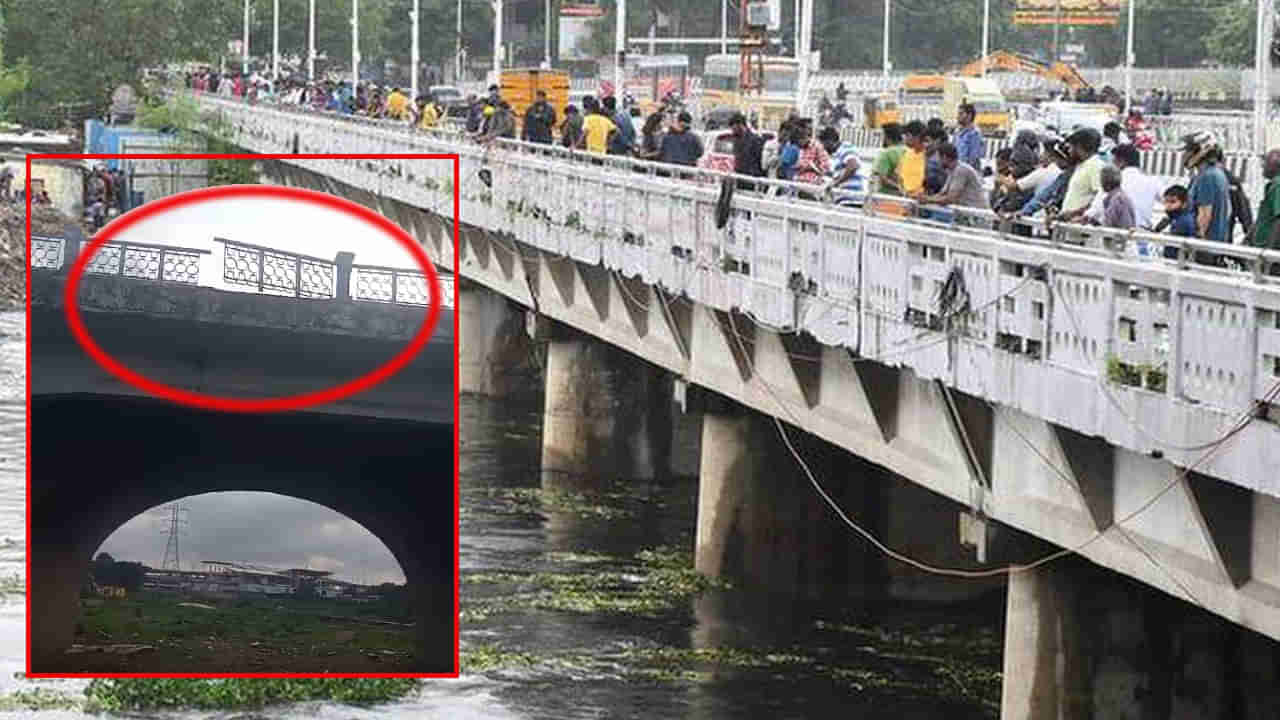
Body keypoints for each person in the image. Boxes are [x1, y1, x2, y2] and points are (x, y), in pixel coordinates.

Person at [1083, 144, 1161, 229]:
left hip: (1118, 231)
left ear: (1121, 161)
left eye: (1113, 161)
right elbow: (1169, 198)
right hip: (1143, 233)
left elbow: (1096, 208)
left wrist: (1083, 217)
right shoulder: (1153, 181)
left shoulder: (1113, 180)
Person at [1181, 131, 1233, 243]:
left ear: (1203, 150)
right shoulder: (1215, 173)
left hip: (1205, 245)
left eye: (1189, 150)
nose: (1185, 155)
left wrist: (1195, 243)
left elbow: (1204, 216)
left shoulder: (1207, 177)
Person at [921, 142, 988, 210]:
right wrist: (926, 198)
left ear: (944, 157)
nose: (937, 161)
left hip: (977, 212)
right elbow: (942, 194)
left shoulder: (961, 170)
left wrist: (929, 200)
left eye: (938, 158)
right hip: (967, 210)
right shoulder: (952, 170)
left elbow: (950, 199)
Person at [1057, 128, 1104, 223]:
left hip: (1081, 230)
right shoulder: (1081, 166)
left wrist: (1073, 213)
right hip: (1070, 227)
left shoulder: (1095, 166)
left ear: (1079, 147)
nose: (1069, 151)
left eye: (1071, 147)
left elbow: (1099, 200)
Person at [1248, 149, 1280, 250]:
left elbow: (1278, 220)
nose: (1263, 166)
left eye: (1266, 162)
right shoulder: (1272, 185)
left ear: (1276, 165)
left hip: (1269, 253)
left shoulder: (1278, 186)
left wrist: (1269, 255)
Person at [791, 121, 832, 186]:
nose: (798, 145)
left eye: (798, 142)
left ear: (804, 138)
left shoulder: (817, 147)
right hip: (798, 181)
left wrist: (810, 168)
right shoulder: (801, 150)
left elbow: (826, 167)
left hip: (812, 183)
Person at [871, 123, 907, 195]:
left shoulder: (886, 153)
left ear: (887, 137)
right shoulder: (908, 151)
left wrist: (899, 188)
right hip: (904, 198)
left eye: (882, 135)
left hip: (885, 197)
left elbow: (881, 179)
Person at [728, 112, 765, 181]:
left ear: (740, 125)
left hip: (752, 178)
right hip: (739, 177)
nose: (732, 131)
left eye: (733, 128)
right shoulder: (736, 140)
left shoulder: (755, 140)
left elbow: (759, 162)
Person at [953, 103, 985, 171]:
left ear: (969, 115)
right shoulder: (957, 132)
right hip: (957, 170)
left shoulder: (975, 134)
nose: (957, 116)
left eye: (961, 114)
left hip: (967, 173)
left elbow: (973, 159)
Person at [899, 121, 927, 197]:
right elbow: (900, 177)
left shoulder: (927, 156)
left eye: (908, 135)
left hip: (921, 202)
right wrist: (903, 191)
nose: (905, 138)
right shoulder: (906, 153)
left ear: (917, 137)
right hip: (905, 199)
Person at [923, 127, 949, 194]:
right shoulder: (926, 155)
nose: (924, 144)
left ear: (937, 141)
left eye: (927, 141)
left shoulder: (940, 160)